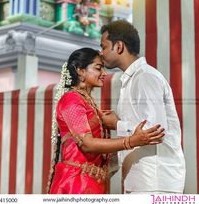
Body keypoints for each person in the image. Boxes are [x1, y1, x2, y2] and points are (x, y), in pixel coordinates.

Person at [47, 48, 164, 194]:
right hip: (76, 185)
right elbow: (87, 144)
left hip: (92, 184)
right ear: (80, 71)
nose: (104, 73)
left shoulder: (88, 103)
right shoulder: (71, 99)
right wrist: (131, 141)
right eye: (98, 68)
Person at [100, 20, 186, 194]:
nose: (101, 53)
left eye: (103, 47)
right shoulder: (132, 79)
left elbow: (155, 132)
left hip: (155, 180)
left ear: (118, 46)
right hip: (143, 180)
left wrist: (117, 124)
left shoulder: (145, 77)